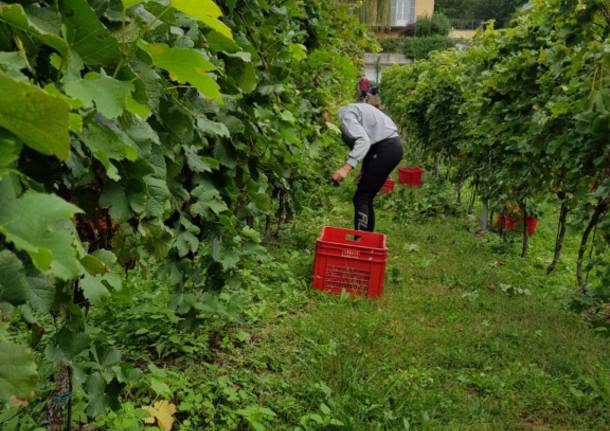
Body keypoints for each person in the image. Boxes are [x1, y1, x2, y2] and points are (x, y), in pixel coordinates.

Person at [331, 103, 403, 232]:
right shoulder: (354, 109)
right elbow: (370, 140)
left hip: (385, 149)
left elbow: (364, 141)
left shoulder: (345, 115)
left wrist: (345, 169)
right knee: (366, 198)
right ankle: (367, 242)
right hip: (390, 147)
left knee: (361, 198)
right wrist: (365, 169)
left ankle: (360, 243)